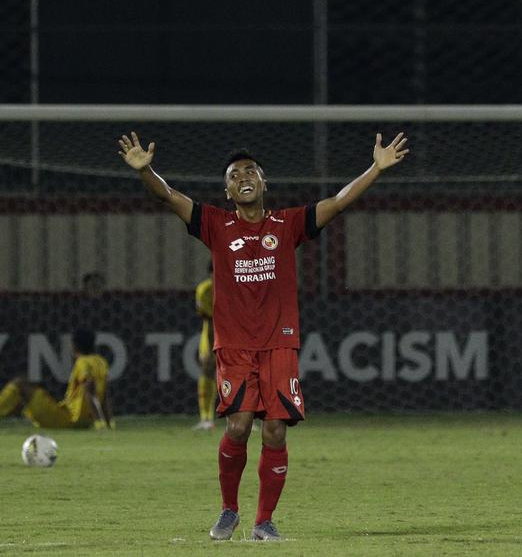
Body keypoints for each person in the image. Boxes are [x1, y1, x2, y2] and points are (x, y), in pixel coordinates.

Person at [118, 130, 408, 542]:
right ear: (227, 189)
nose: (244, 177)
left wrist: (375, 169)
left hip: (279, 344)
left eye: (251, 171)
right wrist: (146, 171)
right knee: (237, 427)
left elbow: (340, 202)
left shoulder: (287, 224)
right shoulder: (215, 224)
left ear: (264, 183)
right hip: (234, 346)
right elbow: (168, 196)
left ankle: (264, 520)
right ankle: (228, 511)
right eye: (235, 175)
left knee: (275, 431)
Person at [0, 328, 114, 431]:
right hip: (85, 421)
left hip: (68, 418)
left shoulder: (82, 362)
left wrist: (99, 422)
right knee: (23, 399)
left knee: (19, 384)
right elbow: (105, 396)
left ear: (75, 345)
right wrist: (109, 422)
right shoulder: (101, 362)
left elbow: (90, 391)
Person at [193, 265, 216, 431]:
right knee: (207, 369)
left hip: (239, 334)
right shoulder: (205, 290)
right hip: (212, 333)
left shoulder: (239, 284)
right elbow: (209, 320)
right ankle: (206, 418)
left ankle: (242, 416)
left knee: (242, 373)